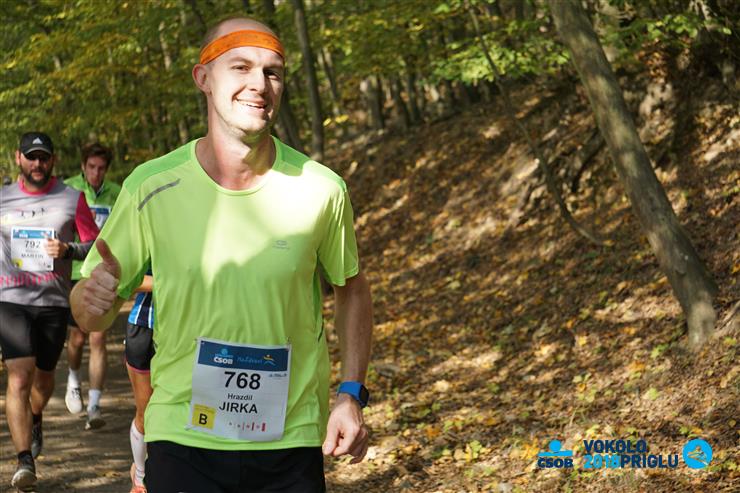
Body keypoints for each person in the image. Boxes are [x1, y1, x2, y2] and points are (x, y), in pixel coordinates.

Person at [71, 17, 373, 492]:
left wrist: (351, 393)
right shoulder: (151, 186)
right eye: (241, 67)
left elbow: (351, 288)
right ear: (203, 78)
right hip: (181, 436)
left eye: (273, 72)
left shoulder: (321, 189)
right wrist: (91, 301)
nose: (260, 84)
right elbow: (88, 311)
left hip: (289, 439)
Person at [1, 132, 99, 491]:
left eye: (43, 157)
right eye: (31, 157)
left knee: (43, 380)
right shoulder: (2, 198)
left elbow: (95, 244)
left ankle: (36, 415)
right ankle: (24, 460)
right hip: (10, 298)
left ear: (53, 160)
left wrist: (69, 249)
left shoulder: (72, 198)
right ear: (19, 158)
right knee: (19, 377)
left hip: (54, 301)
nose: (37, 164)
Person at [63, 142, 121, 429]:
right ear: (83, 167)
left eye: (101, 168)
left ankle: (95, 406)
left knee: (98, 337)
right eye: (91, 167)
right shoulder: (69, 190)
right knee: (77, 338)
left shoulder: (118, 193)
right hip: (75, 271)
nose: (96, 173)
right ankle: (73, 379)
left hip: (103, 273)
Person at [126, 272, 154, 493]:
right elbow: (125, 279)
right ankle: (140, 478)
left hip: (194, 330)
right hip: (147, 325)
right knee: (146, 413)